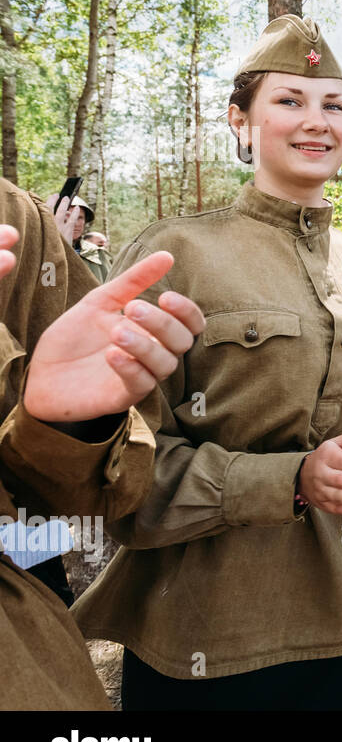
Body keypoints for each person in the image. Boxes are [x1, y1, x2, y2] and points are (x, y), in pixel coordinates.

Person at [70, 16, 342, 710]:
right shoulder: (174, 257)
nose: (318, 121)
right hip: (207, 642)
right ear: (239, 121)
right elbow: (119, 478)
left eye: (333, 104)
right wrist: (292, 480)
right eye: (289, 101)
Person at [0, 181, 201, 708]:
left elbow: (87, 488)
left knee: (40, 560)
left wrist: (70, 425)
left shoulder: (19, 220)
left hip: (22, 629)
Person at [46, 194, 112, 284]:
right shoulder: (43, 251)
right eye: (67, 216)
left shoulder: (96, 253)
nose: (75, 223)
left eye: (80, 218)